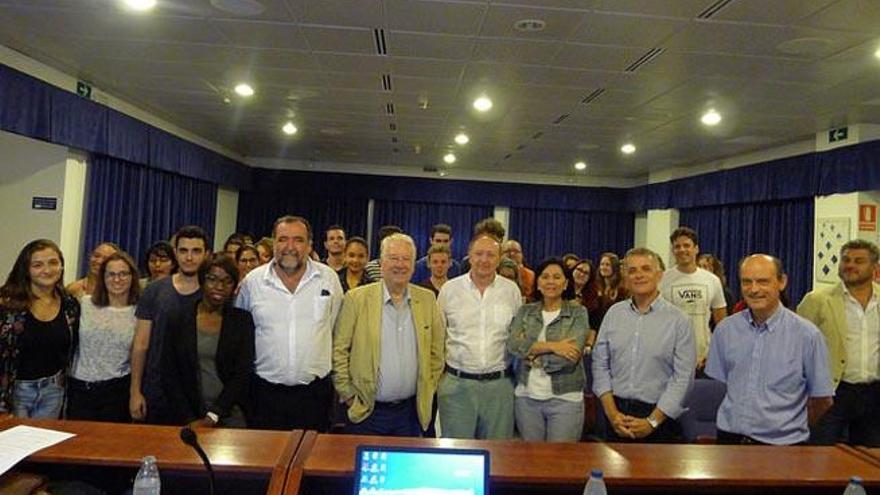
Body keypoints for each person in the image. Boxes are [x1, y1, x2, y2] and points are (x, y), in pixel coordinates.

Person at [706, 254, 834, 445]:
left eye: (763, 281)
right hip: (729, 440)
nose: (754, 289)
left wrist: (788, 426)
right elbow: (724, 384)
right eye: (746, 282)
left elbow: (822, 400)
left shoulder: (808, 336)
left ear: (782, 282)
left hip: (783, 445)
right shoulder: (725, 330)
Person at [235, 215, 343, 431]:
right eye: (283, 239)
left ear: (310, 244)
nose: (290, 247)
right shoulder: (252, 283)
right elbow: (241, 335)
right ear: (273, 242)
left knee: (313, 461)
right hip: (264, 396)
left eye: (298, 240)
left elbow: (335, 328)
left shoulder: (328, 279)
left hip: (315, 397)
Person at [333, 233, 445, 436]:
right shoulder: (356, 299)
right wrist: (349, 395)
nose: (400, 265)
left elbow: (437, 352)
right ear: (381, 262)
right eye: (393, 258)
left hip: (411, 413)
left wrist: (429, 385)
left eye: (406, 259)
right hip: (366, 411)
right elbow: (339, 350)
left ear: (413, 265)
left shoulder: (427, 300)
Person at [592, 248, 695, 443]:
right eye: (632, 270)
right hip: (615, 414)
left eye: (646, 269)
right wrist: (612, 414)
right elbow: (600, 365)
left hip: (660, 418)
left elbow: (682, 379)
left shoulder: (679, 320)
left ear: (659, 275)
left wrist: (652, 422)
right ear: (625, 277)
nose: (638, 275)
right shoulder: (613, 314)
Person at [437, 232, 522, 439]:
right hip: (457, 386)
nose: (484, 260)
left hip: (499, 387)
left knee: (497, 456)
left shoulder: (511, 291)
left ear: (499, 258)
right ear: (469, 255)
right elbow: (437, 336)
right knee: (456, 456)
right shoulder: (450, 289)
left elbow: (518, 335)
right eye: (479, 254)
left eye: (491, 255)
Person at [798, 240, 880, 446]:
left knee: (869, 462)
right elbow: (798, 348)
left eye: (859, 261)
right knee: (819, 457)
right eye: (846, 260)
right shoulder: (817, 300)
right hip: (831, 392)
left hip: (874, 394)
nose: (850, 265)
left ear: (875, 267)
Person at [130, 225, 210, 424]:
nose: (189, 257)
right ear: (175, 253)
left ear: (207, 254)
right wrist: (135, 391)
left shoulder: (214, 294)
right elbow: (140, 344)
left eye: (196, 251)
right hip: (157, 390)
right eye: (183, 251)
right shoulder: (154, 290)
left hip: (198, 393)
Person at [164, 256, 255, 428]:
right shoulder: (179, 318)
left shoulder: (241, 321)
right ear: (201, 280)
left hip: (230, 412)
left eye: (227, 281)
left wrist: (214, 415)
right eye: (212, 279)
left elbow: (242, 373)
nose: (219, 287)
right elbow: (169, 372)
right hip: (187, 414)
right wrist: (188, 419)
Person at [507, 258, 589, 442]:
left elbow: (570, 357)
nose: (550, 282)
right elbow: (512, 345)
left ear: (566, 283)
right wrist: (554, 346)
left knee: (559, 463)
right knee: (531, 461)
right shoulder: (525, 311)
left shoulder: (578, 313)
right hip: (526, 397)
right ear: (537, 282)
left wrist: (534, 357)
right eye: (545, 277)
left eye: (557, 277)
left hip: (565, 398)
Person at [0, 239, 80, 418]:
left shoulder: (70, 305)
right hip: (14, 392)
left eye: (53, 263)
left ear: (61, 266)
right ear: (26, 270)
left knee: (46, 444)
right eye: (37, 265)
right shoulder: (6, 304)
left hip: (53, 391)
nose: (47, 270)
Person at [67, 252, 139, 422]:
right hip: (80, 388)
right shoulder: (85, 304)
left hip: (117, 389)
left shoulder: (140, 311)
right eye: (111, 274)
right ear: (103, 277)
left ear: (132, 277)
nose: (117, 279)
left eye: (123, 274)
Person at [659, 227, 727, 372]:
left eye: (686, 245)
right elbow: (657, 322)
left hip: (704, 359)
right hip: (671, 359)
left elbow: (721, 323)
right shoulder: (662, 280)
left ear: (696, 249)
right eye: (677, 246)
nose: (682, 250)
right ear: (673, 251)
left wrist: (713, 354)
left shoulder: (712, 280)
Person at [586, 253, 628, 350]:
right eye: (602, 264)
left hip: (616, 335)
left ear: (614, 267)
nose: (603, 267)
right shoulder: (595, 287)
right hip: (596, 335)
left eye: (607, 265)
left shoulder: (622, 290)